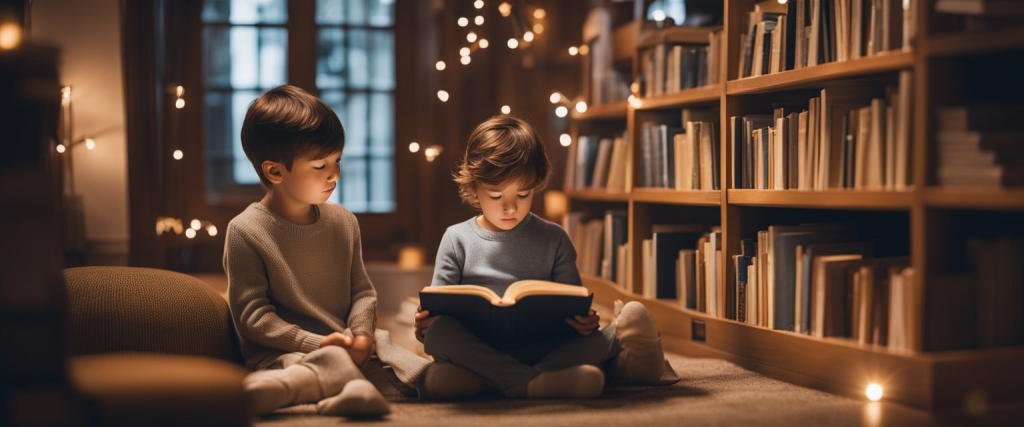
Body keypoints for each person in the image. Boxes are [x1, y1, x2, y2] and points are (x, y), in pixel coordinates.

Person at [414, 116, 670, 400]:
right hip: (479, 348)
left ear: (536, 185)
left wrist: (586, 324)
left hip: (545, 347)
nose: (510, 207)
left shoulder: (555, 238)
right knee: (441, 333)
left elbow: (572, 307)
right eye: (496, 196)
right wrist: (426, 326)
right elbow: (437, 314)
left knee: (628, 320)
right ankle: (532, 382)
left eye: (523, 194)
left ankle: (493, 380)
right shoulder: (456, 238)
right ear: (474, 187)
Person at [223, 85, 429, 417]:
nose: (334, 174)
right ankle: (322, 387)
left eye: (337, 160)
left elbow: (362, 292)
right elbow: (254, 319)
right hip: (288, 353)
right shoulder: (246, 231)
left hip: (350, 344)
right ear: (275, 171)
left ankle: (344, 391)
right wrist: (319, 343)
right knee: (310, 367)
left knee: (415, 370)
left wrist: (361, 335)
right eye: (320, 165)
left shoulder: (343, 221)